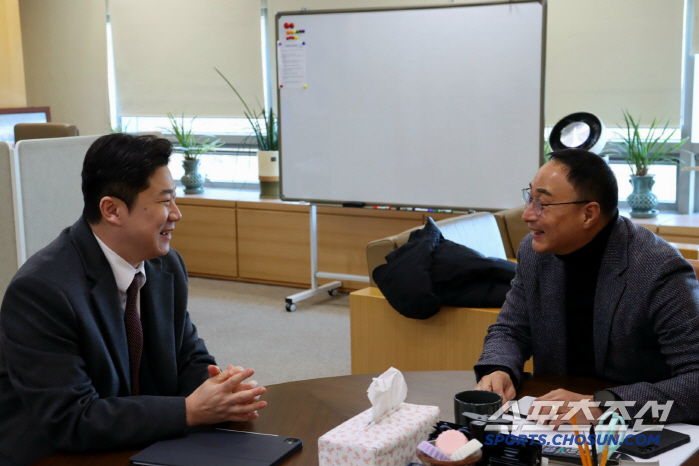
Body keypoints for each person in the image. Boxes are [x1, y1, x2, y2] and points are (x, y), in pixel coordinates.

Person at [0, 133, 267, 466]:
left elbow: (186, 356)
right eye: (164, 200)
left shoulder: (165, 265)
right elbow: (71, 419)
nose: (177, 214)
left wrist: (221, 389)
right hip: (58, 454)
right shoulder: (42, 291)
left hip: (140, 439)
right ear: (112, 210)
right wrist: (189, 411)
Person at [474, 148, 699, 426]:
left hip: (636, 431)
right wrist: (499, 368)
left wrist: (603, 406)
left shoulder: (657, 268)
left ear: (589, 214)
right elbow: (511, 329)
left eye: (542, 203)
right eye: (529, 199)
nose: (527, 215)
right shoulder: (535, 254)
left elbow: (695, 381)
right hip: (552, 423)